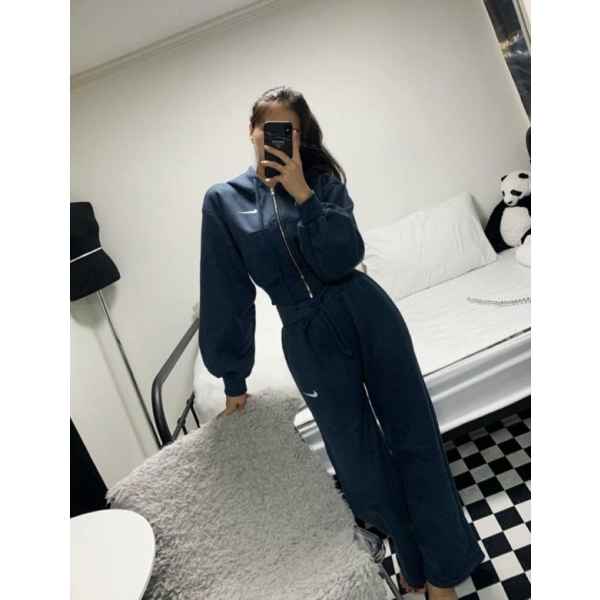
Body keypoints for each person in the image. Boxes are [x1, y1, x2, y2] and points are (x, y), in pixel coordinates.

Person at [198, 86, 484, 599]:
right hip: (306, 336)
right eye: (269, 128)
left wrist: (303, 194)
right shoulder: (224, 202)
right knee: (360, 467)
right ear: (251, 131)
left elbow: (342, 256)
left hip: (365, 312)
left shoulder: (322, 182)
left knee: (415, 439)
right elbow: (226, 290)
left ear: (301, 135)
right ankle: (412, 561)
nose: (277, 139)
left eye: (290, 130)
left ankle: (443, 573)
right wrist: (232, 376)